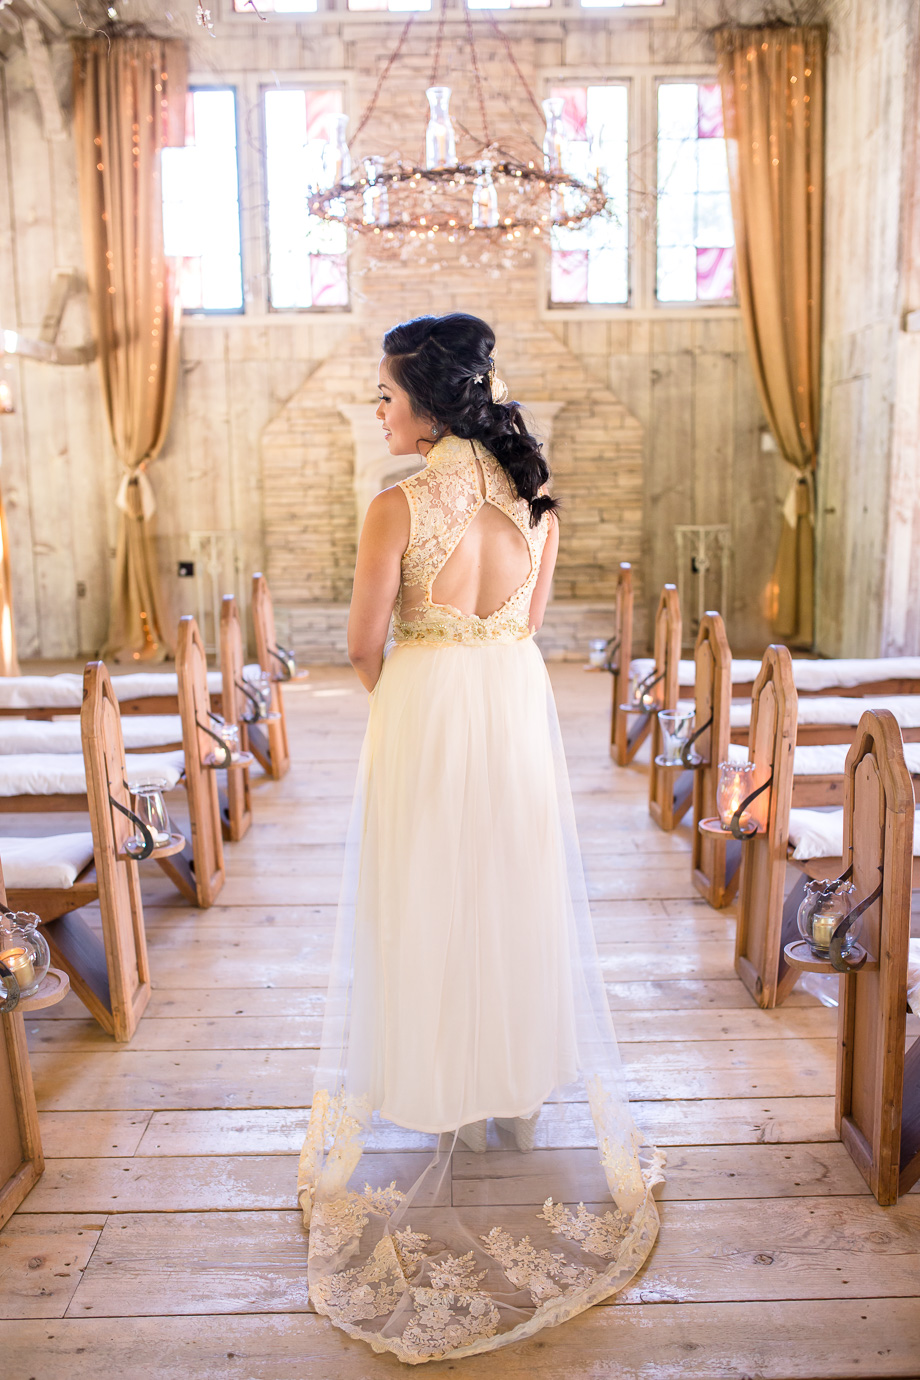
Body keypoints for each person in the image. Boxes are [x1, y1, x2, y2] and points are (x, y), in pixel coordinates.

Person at [298, 313, 662, 1364]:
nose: (376, 408)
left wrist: (413, 713)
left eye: (384, 392)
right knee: (513, 893)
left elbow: (365, 646)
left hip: (424, 714)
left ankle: (436, 1088)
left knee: (419, 900)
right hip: (512, 711)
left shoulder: (398, 507)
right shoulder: (532, 503)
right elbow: (526, 627)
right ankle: (510, 1091)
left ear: (424, 399)